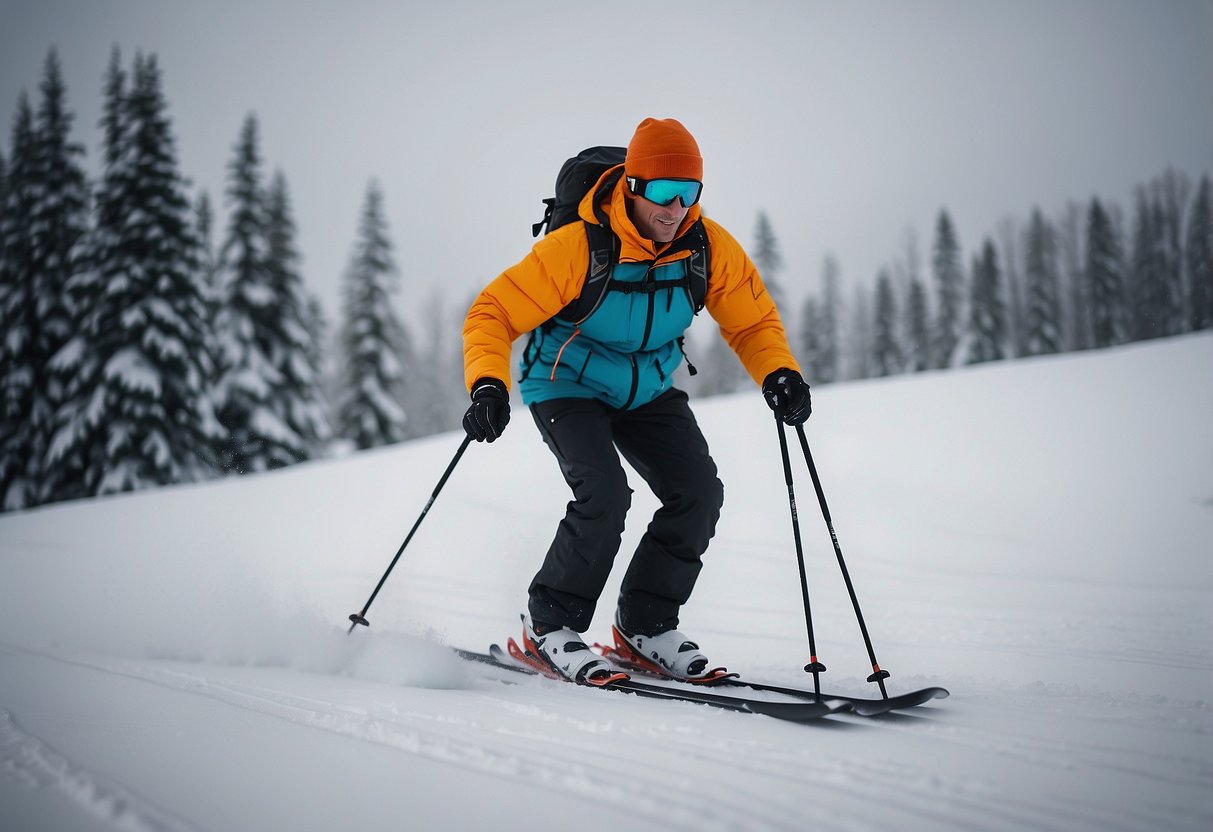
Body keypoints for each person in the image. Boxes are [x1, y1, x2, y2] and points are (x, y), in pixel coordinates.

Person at [461, 117, 811, 684]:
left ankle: (644, 624)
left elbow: (753, 321)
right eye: (662, 193)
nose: (675, 208)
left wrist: (780, 374)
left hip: (646, 387)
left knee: (697, 491)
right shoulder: (580, 246)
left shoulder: (705, 247)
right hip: (565, 382)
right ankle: (548, 625)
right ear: (632, 186)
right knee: (604, 492)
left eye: (689, 193)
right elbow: (493, 313)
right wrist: (487, 383)